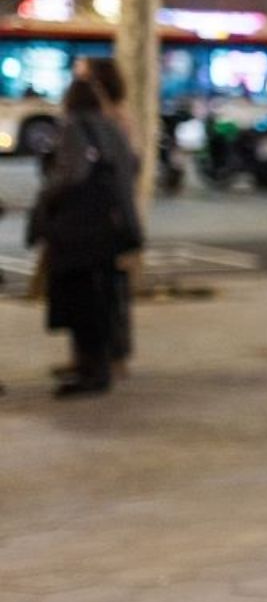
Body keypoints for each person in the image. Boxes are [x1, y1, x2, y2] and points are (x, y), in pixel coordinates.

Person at [26, 77, 140, 398]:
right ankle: (99, 364)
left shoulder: (74, 127)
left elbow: (70, 175)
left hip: (79, 234)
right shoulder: (110, 127)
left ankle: (90, 370)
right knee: (102, 298)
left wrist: (48, 197)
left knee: (81, 300)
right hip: (109, 229)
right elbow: (132, 164)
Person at [71, 56, 136, 378]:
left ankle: (114, 354)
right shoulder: (96, 117)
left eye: (84, 76)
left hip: (109, 215)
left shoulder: (113, 118)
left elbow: (122, 170)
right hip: (101, 214)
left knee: (110, 287)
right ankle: (94, 355)